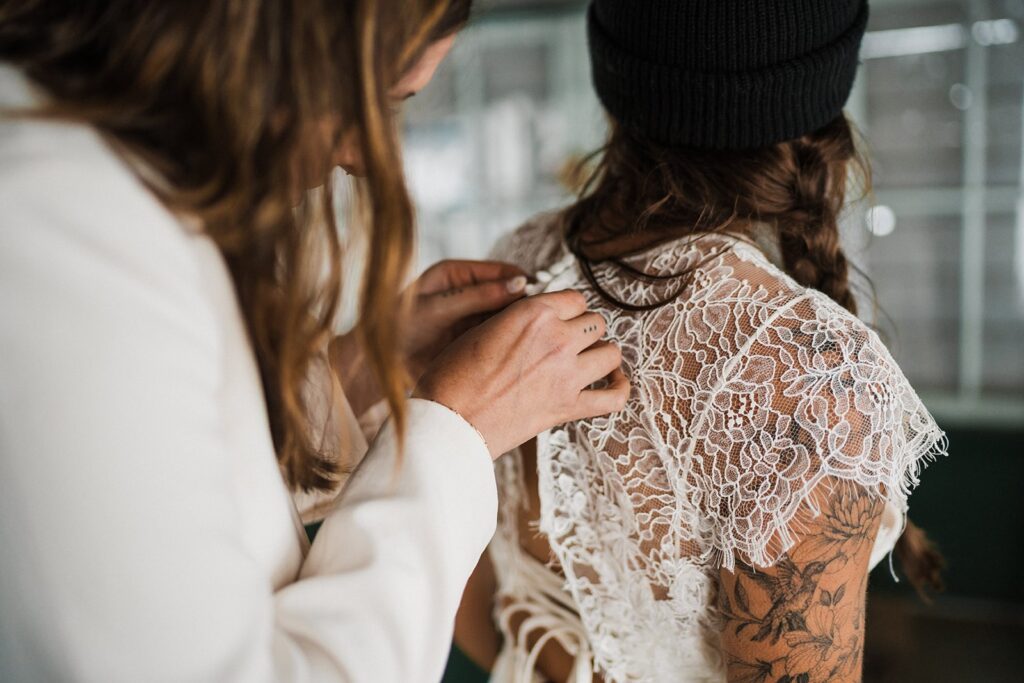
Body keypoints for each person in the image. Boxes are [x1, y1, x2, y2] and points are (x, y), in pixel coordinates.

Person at [0, 1, 629, 681]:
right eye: (372, 102)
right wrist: (456, 430)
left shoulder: (128, 180)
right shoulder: (63, 232)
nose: (366, 157)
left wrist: (363, 369)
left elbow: (178, 466)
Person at [454, 1, 948, 681]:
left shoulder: (517, 262)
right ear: (822, 95)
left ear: (616, 71)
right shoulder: (811, 379)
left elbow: (478, 609)